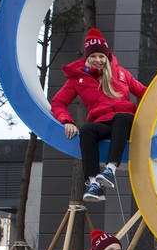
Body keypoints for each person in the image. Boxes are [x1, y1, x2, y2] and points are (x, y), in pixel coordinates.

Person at [51, 28, 146, 203]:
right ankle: (94, 184)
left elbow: (145, 93)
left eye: (101, 56)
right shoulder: (78, 79)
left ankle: (110, 168)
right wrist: (66, 121)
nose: (98, 60)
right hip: (103, 123)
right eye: (93, 56)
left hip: (126, 122)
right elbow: (58, 102)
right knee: (87, 130)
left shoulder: (121, 73)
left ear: (107, 56)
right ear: (87, 58)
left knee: (121, 117)